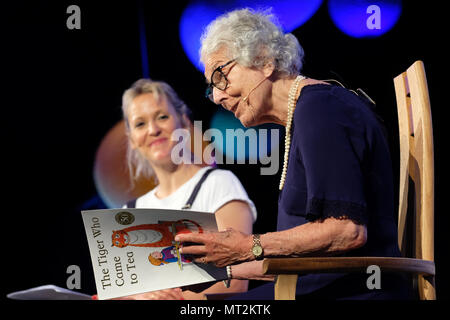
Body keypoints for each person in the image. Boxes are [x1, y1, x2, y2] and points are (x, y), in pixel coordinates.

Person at [176, 8, 412, 299]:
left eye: (220, 76)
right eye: (211, 87)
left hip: (353, 292)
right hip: (317, 286)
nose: (217, 96)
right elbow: (299, 256)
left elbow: (347, 231)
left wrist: (245, 246)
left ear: (264, 60)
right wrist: (221, 268)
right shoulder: (305, 115)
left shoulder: (321, 108)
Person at [117, 78, 257, 300]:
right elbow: (120, 292)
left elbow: (235, 282)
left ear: (182, 121)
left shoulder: (218, 183)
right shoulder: (129, 211)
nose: (153, 129)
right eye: (140, 124)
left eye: (162, 117)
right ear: (132, 138)